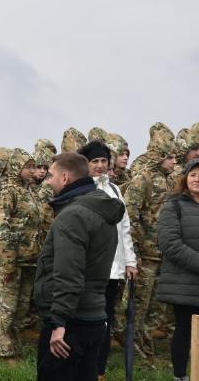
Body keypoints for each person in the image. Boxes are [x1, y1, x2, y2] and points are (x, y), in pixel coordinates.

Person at [33, 152, 123, 381]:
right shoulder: (99, 210)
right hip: (94, 315)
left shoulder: (73, 215)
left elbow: (68, 273)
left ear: (64, 178)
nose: (48, 180)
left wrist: (58, 323)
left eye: (51, 175)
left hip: (71, 323)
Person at [78, 141, 137, 380]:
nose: (100, 165)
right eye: (95, 161)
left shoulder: (114, 189)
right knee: (87, 319)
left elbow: (124, 227)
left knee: (106, 319)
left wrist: (130, 261)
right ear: (86, 164)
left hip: (113, 267)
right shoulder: (81, 189)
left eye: (103, 161)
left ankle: (99, 371)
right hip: (89, 267)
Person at [124, 127, 177, 356]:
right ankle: (135, 351)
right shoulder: (142, 179)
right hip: (145, 255)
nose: (175, 162)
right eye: (170, 157)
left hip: (165, 254)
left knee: (158, 306)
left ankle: (147, 347)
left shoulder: (171, 181)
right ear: (159, 156)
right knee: (139, 306)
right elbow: (129, 215)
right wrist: (134, 251)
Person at [0, 148, 44, 363]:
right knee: (7, 305)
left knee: (21, 307)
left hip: (30, 261)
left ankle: (15, 343)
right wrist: (8, 263)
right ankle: (5, 350)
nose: (32, 171)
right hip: (10, 261)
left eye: (34, 167)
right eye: (28, 167)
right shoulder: (7, 193)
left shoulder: (31, 192)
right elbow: (0, 229)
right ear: (15, 168)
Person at [155, 158, 199, 381]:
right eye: (193, 174)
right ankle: (180, 376)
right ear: (185, 178)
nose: (197, 178)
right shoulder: (174, 205)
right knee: (185, 329)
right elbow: (170, 243)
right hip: (184, 282)